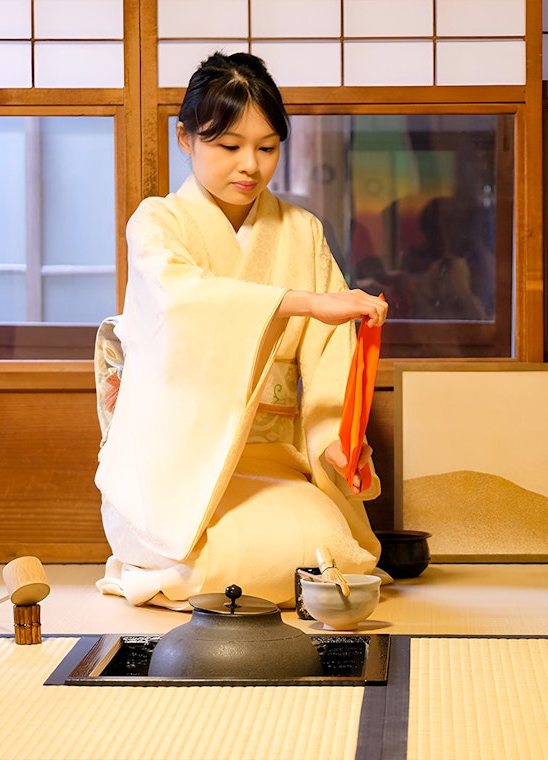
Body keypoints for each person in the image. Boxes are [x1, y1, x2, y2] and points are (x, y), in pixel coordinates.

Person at [94, 52, 388, 610]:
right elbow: (185, 301)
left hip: (274, 463)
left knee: (328, 552)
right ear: (185, 138)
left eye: (267, 147)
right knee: (208, 564)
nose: (249, 165)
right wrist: (303, 302)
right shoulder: (157, 223)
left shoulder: (300, 231)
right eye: (229, 147)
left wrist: (334, 442)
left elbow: (329, 358)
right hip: (174, 465)